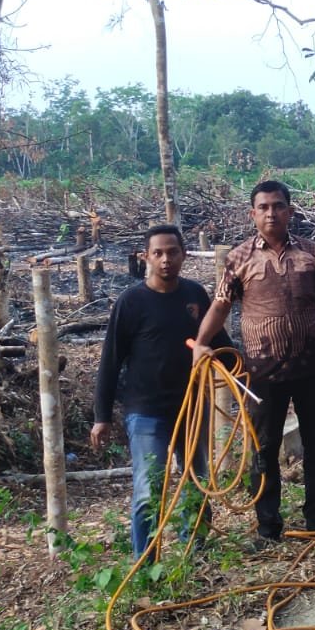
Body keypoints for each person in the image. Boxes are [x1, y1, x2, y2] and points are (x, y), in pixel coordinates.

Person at [192, 180, 315, 547]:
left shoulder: (313, 254)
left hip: (314, 367)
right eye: (264, 207)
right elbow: (221, 305)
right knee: (263, 447)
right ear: (253, 214)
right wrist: (202, 343)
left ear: (290, 211)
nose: (271, 213)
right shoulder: (238, 259)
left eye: (278, 206)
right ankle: (268, 526)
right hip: (262, 373)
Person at [92, 224, 230, 560]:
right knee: (149, 491)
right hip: (146, 411)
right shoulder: (131, 302)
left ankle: (194, 555)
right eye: (158, 253)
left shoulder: (195, 295)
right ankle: (146, 566)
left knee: (197, 481)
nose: (166, 259)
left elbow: (220, 343)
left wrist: (223, 357)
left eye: (172, 252)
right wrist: (102, 417)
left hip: (193, 407)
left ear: (183, 255)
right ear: (145, 257)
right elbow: (111, 360)